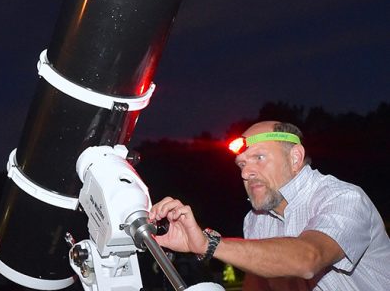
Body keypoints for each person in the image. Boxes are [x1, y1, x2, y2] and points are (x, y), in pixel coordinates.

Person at [149, 121, 390, 290]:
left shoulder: (344, 198)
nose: (246, 173)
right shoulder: (255, 219)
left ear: (295, 157)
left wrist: (207, 244)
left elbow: (308, 259)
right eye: (241, 164)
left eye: (259, 158)